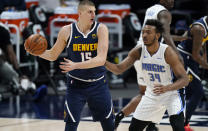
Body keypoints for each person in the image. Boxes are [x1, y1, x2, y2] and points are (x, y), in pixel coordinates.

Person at [25, 0, 114, 131]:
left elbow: (101, 59)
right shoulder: (67, 31)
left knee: (109, 125)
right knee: (71, 125)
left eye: (94, 12)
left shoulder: (101, 29)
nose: (93, 15)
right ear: (80, 13)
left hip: (98, 84)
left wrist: (75, 65)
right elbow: (52, 55)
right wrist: (36, 51)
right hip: (76, 86)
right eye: (90, 12)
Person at [105, 19, 189, 131]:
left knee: (178, 126)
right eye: (143, 32)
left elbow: (185, 79)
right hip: (152, 93)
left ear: (157, 35)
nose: (144, 35)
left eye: (148, 32)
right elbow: (119, 69)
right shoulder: (138, 51)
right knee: (133, 129)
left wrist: (167, 88)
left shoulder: (167, 52)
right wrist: (103, 62)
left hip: (172, 93)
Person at [177, 15, 208, 131]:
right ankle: (184, 124)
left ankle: (181, 120)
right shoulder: (199, 29)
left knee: (188, 92)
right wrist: (205, 65)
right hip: (185, 57)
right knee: (198, 92)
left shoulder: (205, 23)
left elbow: (204, 41)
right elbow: (195, 55)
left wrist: (204, 56)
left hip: (190, 57)